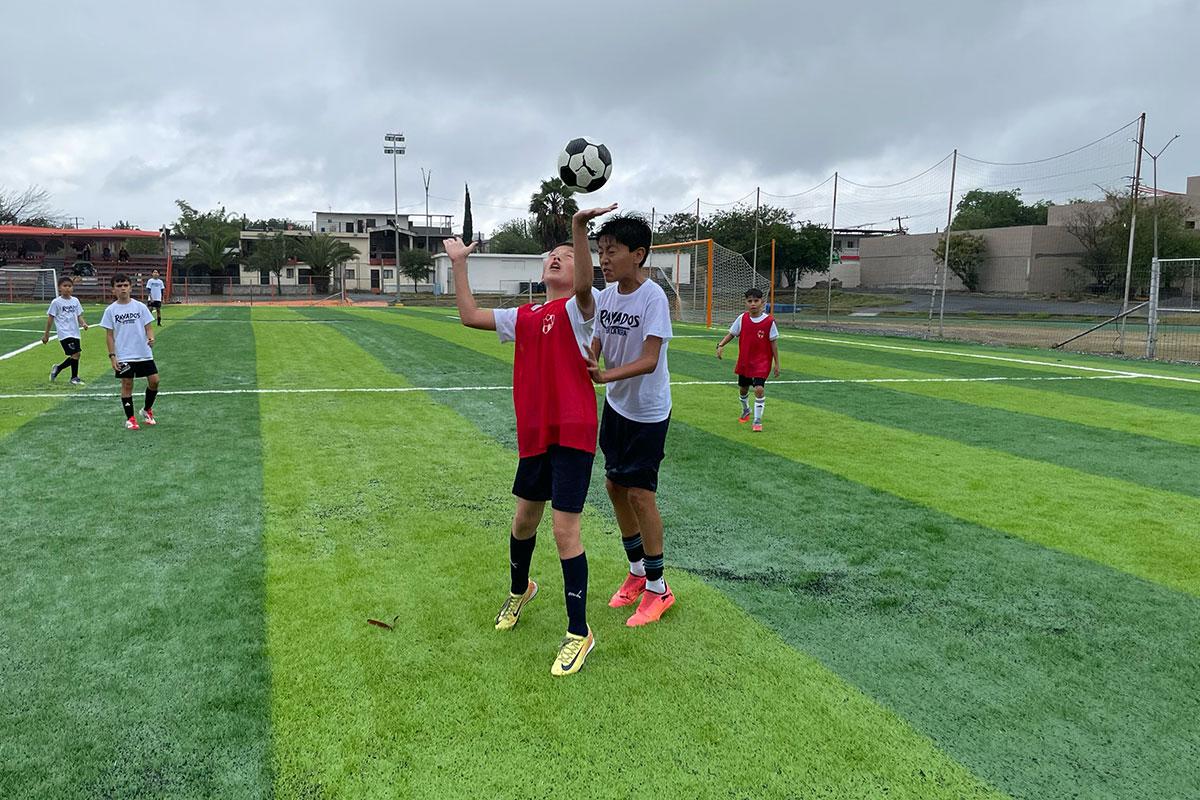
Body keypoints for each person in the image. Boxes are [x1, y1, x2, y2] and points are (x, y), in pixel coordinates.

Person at [448, 235, 601, 677]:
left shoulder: (580, 310)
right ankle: (521, 590)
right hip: (535, 433)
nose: (557, 258)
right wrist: (459, 263)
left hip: (572, 431)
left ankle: (579, 632)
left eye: (567, 256)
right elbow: (469, 316)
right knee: (523, 522)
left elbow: (585, 286)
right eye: (553, 255)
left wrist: (578, 229)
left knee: (564, 531)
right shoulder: (525, 315)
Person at [573, 207, 676, 627]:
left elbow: (650, 360)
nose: (604, 259)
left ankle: (658, 587)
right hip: (617, 407)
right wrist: (591, 357)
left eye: (611, 251)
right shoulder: (608, 295)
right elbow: (599, 336)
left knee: (640, 495)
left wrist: (604, 375)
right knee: (615, 485)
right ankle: (636, 572)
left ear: (638, 254)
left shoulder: (653, 298)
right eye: (600, 251)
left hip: (648, 412)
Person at [98, 274, 160, 430]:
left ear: (130, 288)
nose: (123, 288)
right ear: (113, 290)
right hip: (124, 354)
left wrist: (151, 338)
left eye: (125, 285)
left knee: (154, 381)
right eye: (119, 286)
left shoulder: (140, 307)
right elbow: (109, 336)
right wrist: (112, 356)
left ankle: (146, 410)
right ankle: (130, 419)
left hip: (143, 352)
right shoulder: (110, 310)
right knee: (127, 384)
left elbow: (148, 327)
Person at [715, 287, 781, 432]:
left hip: (762, 362)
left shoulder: (769, 321)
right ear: (745, 302)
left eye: (756, 301)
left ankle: (757, 420)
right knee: (743, 389)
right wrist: (720, 345)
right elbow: (732, 334)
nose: (753, 304)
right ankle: (746, 409)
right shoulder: (742, 318)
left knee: (759, 389)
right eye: (750, 301)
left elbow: (774, 343)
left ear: (762, 302)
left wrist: (777, 363)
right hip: (745, 361)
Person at [42, 276, 88, 385]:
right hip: (64, 333)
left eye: (70, 286)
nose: (67, 288)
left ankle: (58, 368)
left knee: (76, 355)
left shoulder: (75, 300)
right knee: (76, 354)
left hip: (75, 332)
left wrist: (83, 323)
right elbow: (50, 319)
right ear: (59, 288)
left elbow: (78, 315)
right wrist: (46, 335)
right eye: (65, 286)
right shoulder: (56, 302)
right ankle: (74, 378)